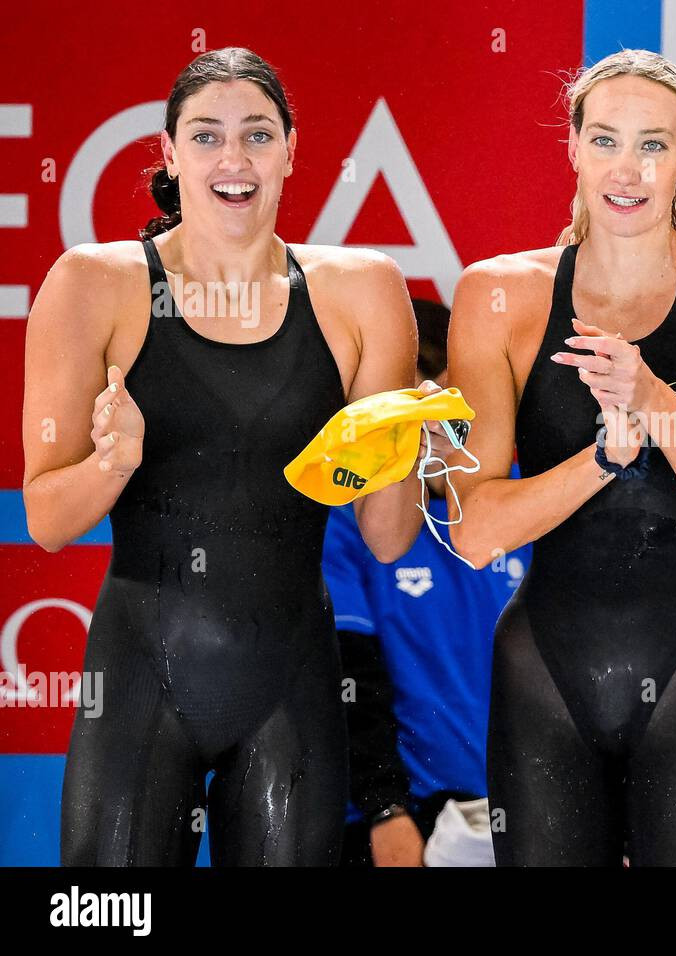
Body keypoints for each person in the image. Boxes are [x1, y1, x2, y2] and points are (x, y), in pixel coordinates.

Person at [24, 47, 435, 866]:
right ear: (171, 155)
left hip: (291, 684)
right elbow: (45, 520)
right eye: (206, 137)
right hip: (140, 676)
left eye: (257, 135)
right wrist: (113, 463)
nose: (234, 159)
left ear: (290, 149)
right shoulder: (93, 283)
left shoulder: (363, 290)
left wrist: (405, 443)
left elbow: (388, 538)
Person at [446, 50, 676, 865]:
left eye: (652, 145)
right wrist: (604, 460)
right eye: (606, 140)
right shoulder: (498, 296)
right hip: (543, 673)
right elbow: (474, 530)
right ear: (572, 147)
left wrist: (657, 403)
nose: (628, 168)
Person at [325, 300, 530, 867]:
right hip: (405, 817)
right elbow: (348, 679)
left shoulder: (533, 502)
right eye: (405, 406)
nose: (429, 420)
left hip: (537, 810)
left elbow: (588, 674)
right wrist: (384, 812)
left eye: (443, 395)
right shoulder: (348, 521)